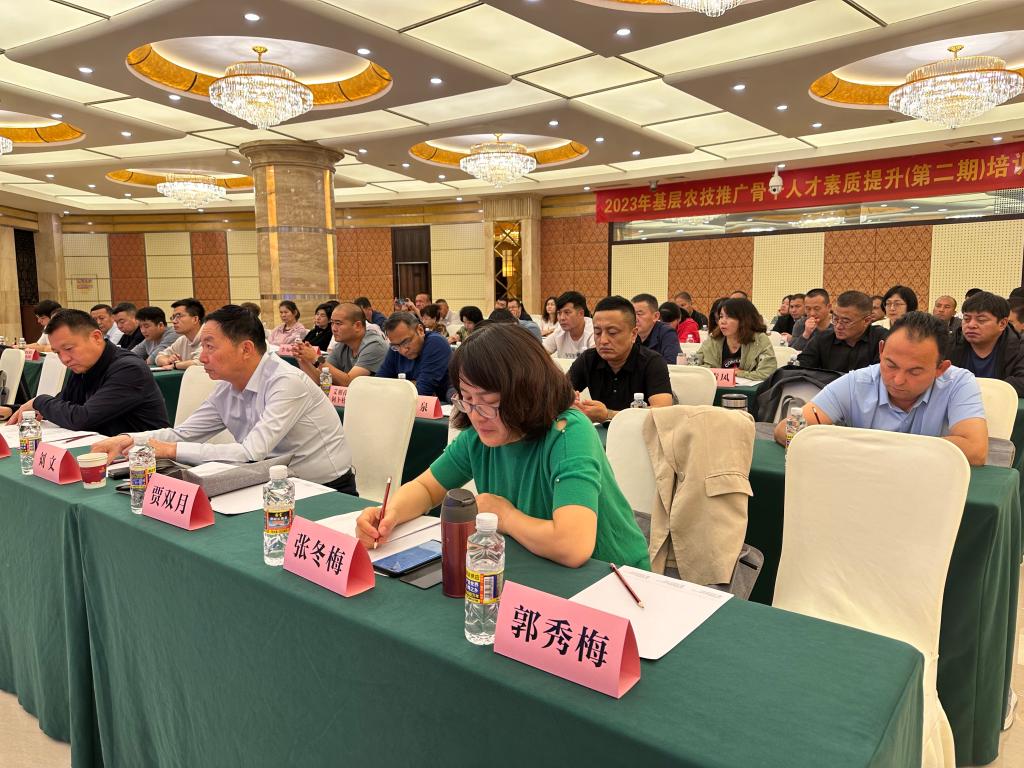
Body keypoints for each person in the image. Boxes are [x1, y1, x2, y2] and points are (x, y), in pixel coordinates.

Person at [354, 323, 650, 569]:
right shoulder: (478, 435)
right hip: (537, 563)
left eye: (489, 401)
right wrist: (389, 514)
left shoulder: (567, 432)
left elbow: (572, 546)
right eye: (466, 398)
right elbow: (427, 488)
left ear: (528, 392)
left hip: (612, 576)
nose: (475, 414)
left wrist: (504, 515)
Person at [91, 305, 357, 492]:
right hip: (270, 484)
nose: (203, 357)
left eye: (210, 346)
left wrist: (170, 450)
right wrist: (129, 440)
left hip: (324, 489)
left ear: (246, 349)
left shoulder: (286, 382)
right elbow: (183, 434)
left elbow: (251, 453)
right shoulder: (226, 388)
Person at [776, 312, 988, 466]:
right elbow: (785, 429)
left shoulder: (958, 383)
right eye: (891, 365)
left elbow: (975, 450)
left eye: (914, 372)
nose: (898, 380)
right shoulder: (857, 382)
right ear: (882, 350)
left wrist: (872, 450)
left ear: (940, 369)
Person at [2, 309, 168, 433]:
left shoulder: (129, 369)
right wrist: (14, 410)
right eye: (58, 352)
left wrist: (39, 402)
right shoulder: (84, 365)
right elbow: (64, 403)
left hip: (143, 458)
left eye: (69, 348)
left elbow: (82, 418)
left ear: (96, 337)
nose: (64, 359)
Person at [569, 296, 674, 423]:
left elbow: (663, 411)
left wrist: (608, 414)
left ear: (633, 334)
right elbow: (556, 394)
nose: (603, 340)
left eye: (612, 332)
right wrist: (570, 403)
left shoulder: (652, 362)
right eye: (597, 332)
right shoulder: (588, 359)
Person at [948, 291, 1024, 396]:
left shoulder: (1019, 346)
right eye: (966, 319)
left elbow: (1021, 382)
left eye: (981, 320)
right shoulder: (949, 343)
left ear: (1002, 324)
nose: (971, 325)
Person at [297, 302, 388, 387]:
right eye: (332, 323)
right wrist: (302, 358)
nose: (333, 329)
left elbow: (350, 382)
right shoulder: (341, 345)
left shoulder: (374, 345)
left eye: (338, 323)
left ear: (357, 326)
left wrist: (316, 358)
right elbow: (320, 379)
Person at [796, 291, 888, 373]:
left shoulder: (882, 340)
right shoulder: (822, 339)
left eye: (846, 321)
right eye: (835, 319)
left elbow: (882, 375)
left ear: (866, 321)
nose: (838, 326)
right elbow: (801, 369)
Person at [697, 297, 777, 381]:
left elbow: (767, 373)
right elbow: (694, 365)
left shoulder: (759, 339)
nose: (722, 321)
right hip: (716, 388)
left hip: (750, 389)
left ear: (744, 319)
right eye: (721, 316)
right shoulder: (714, 339)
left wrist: (740, 373)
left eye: (728, 317)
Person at [378, 312, 452, 399]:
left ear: (420, 330)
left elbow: (422, 392)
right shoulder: (396, 347)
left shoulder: (436, 343)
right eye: (396, 346)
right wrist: (411, 384)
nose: (403, 350)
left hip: (442, 403)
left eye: (406, 342)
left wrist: (399, 385)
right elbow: (378, 384)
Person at [156, 298, 206, 370]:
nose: (174, 321)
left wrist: (175, 365)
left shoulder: (209, 336)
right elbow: (159, 357)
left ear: (195, 319)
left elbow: (200, 362)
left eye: (178, 316)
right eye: (173, 317)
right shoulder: (182, 339)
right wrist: (168, 360)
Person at [543, 291, 595, 360]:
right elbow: (538, 353)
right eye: (559, 313)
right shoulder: (559, 332)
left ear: (581, 313)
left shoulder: (594, 330)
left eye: (567, 312)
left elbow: (595, 360)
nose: (562, 318)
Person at [631, 293, 680, 365]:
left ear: (656, 316)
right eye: (632, 314)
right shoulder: (628, 333)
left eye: (639, 314)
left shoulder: (667, 333)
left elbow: (672, 364)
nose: (635, 319)